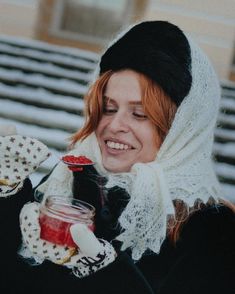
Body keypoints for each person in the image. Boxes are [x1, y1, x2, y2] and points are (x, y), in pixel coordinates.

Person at [0, 20, 235, 294]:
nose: (113, 125)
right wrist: (8, 196)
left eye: (139, 114)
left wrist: (107, 272)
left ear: (182, 128)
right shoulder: (74, 179)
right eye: (109, 108)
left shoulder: (212, 229)